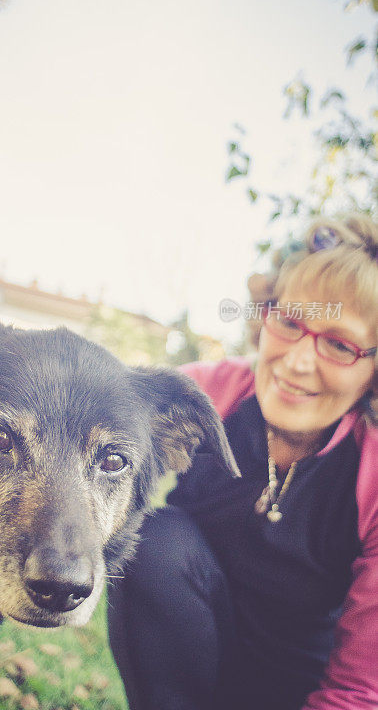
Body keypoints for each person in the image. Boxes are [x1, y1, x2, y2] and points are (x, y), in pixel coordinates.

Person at [108, 214, 378, 710]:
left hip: (295, 693)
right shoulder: (213, 393)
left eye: (339, 344)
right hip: (182, 663)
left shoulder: (372, 476)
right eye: (290, 322)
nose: (297, 362)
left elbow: (359, 689)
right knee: (156, 537)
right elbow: (97, 418)